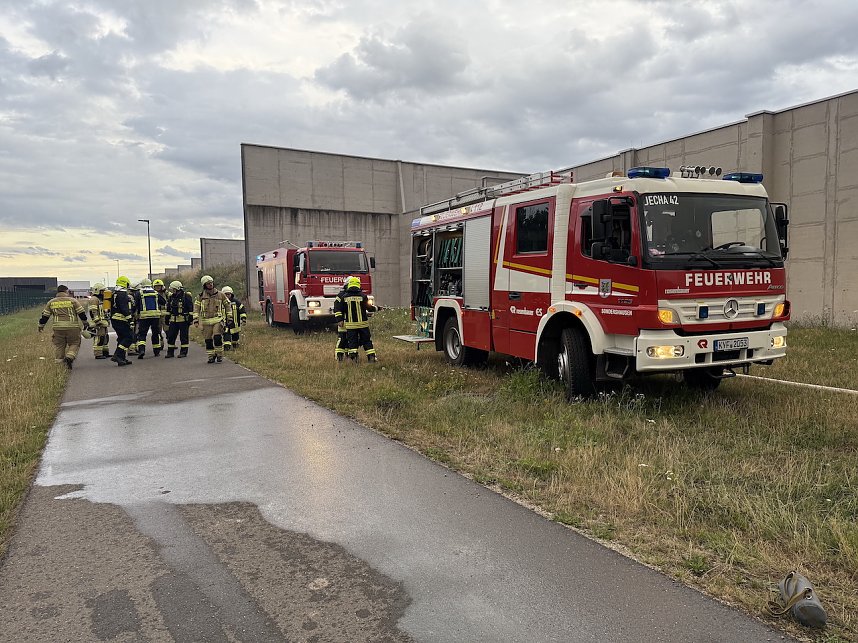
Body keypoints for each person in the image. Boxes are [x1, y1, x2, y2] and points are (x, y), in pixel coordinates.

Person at [38, 285, 91, 369]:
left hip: (58, 328)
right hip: (72, 327)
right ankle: (69, 358)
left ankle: (59, 366)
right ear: (66, 291)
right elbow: (81, 313)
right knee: (75, 343)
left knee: (60, 345)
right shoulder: (73, 301)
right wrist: (85, 323)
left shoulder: (51, 302)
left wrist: (41, 326)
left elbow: (45, 316)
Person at [335, 276, 378, 363]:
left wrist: (340, 319)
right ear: (358, 285)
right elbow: (368, 308)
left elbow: (339, 309)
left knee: (352, 342)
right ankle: (371, 357)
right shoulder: (363, 296)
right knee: (367, 341)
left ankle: (354, 358)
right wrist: (377, 308)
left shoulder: (344, 297)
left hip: (351, 326)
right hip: (363, 325)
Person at [193, 275, 233, 363]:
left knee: (217, 337)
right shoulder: (200, 296)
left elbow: (228, 305)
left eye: (211, 283)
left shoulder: (220, 294)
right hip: (206, 322)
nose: (210, 285)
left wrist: (229, 317)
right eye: (208, 284)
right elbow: (196, 308)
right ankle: (211, 356)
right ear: (204, 285)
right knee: (208, 340)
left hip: (217, 320)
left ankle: (219, 355)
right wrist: (196, 320)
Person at [133, 278, 165, 359]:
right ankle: (156, 351)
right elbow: (163, 302)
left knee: (142, 334)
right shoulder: (155, 293)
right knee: (155, 333)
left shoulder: (139, 293)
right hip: (155, 317)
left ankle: (141, 350)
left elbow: (135, 304)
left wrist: (134, 313)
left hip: (144, 317)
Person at [110, 276, 136, 366]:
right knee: (129, 337)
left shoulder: (115, 293)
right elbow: (124, 308)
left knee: (121, 338)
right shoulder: (122, 294)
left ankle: (121, 358)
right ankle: (117, 355)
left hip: (115, 319)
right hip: (121, 319)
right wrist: (130, 319)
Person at [164, 280, 194, 358]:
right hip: (173, 320)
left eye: (173, 289)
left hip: (183, 320)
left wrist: (190, 319)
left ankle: (183, 352)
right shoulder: (171, 298)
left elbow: (190, 308)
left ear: (178, 289)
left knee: (183, 337)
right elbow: (168, 309)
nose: (172, 291)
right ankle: (170, 352)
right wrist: (167, 319)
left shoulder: (186, 296)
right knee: (171, 336)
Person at [87, 283, 110, 359]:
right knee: (99, 338)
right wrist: (97, 321)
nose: (104, 293)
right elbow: (93, 311)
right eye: (102, 291)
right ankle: (98, 354)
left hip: (103, 322)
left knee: (105, 337)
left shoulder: (101, 299)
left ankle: (105, 352)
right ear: (97, 291)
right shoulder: (94, 299)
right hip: (98, 323)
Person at [220, 286, 247, 350]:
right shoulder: (221, 303)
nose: (227, 296)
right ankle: (227, 346)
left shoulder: (236, 302)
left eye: (228, 294)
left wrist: (243, 318)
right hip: (225, 323)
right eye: (225, 294)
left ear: (231, 294)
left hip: (235, 324)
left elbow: (242, 310)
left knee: (235, 336)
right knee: (226, 335)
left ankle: (235, 344)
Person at [332, 275, 352, 362]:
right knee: (342, 339)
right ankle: (339, 356)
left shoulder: (354, 295)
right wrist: (340, 319)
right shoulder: (341, 296)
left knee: (351, 339)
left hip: (352, 323)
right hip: (343, 322)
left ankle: (349, 356)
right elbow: (337, 308)